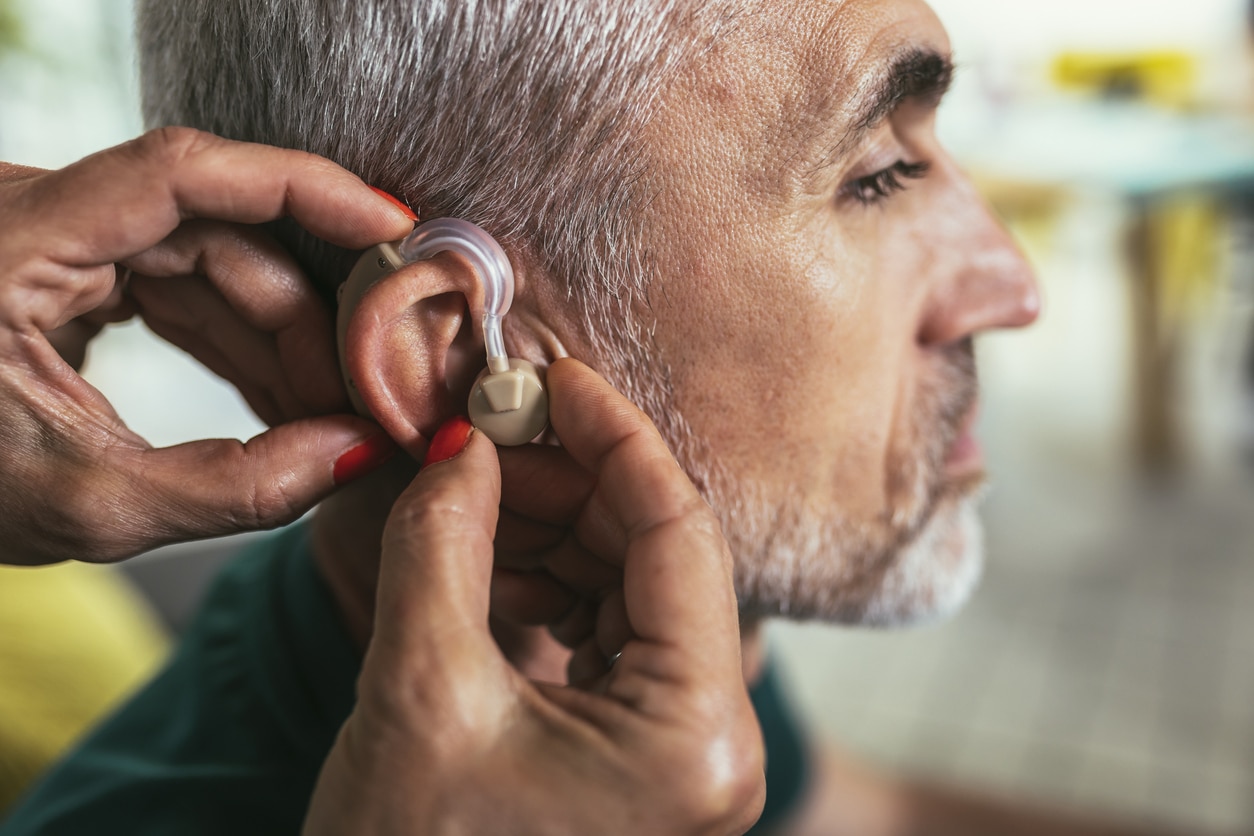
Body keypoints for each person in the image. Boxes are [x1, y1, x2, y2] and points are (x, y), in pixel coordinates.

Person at [0, 0, 1198, 833]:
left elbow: (838, 811)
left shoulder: (632, 639)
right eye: (876, 174)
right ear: (464, 353)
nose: (1015, 284)